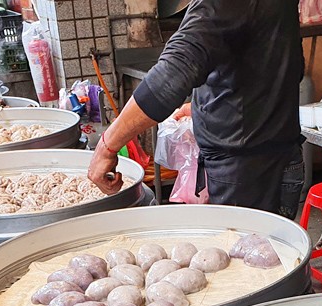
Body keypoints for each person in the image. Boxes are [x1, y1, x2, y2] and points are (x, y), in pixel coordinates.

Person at [87, 0, 304, 215]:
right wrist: (204, 106)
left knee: (244, 247)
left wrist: (107, 146)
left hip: (244, 173)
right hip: (276, 151)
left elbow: (168, 79)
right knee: (272, 245)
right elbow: (260, 60)